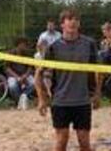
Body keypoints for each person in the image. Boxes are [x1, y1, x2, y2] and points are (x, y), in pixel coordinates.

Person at [35, 9, 101, 151]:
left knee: (84, 142)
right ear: (62, 24)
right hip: (60, 100)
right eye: (69, 19)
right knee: (61, 140)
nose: (73, 21)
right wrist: (41, 99)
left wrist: (97, 93)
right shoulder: (53, 47)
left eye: (76, 19)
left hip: (82, 100)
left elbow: (98, 70)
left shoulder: (89, 44)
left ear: (79, 23)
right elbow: (38, 73)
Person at [5, 37, 35, 104]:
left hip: (25, 74)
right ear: (19, 45)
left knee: (34, 83)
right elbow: (7, 68)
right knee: (12, 86)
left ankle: (24, 95)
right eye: (24, 45)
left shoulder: (27, 54)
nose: (26, 47)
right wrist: (17, 77)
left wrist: (25, 75)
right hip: (13, 75)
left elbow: (30, 67)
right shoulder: (11, 53)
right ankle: (19, 101)